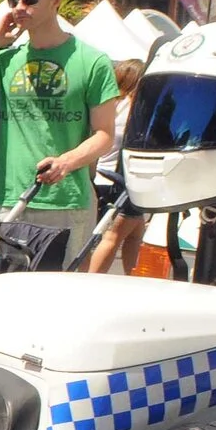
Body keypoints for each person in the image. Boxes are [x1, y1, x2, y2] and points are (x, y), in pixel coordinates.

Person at [0, 0, 119, 262]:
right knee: (2, 290)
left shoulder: (93, 61)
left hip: (66, 201)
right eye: (13, 0)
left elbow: (105, 135)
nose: (19, 7)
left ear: (56, 0)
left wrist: (66, 162)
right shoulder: (7, 59)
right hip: (6, 197)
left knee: (58, 296)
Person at [82, 56, 151, 273]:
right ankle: (91, 285)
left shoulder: (110, 105)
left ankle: (132, 277)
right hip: (122, 181)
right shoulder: (134, 108)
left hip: (101, 176)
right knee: (112, 237)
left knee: (135, 233)